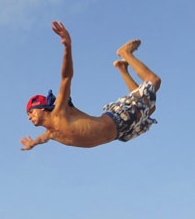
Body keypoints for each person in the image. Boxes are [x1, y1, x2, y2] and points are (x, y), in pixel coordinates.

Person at [20, 21, 162, 150]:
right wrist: (33, 143)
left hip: (119, 117)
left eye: (31, 112)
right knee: (150, 108)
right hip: (121, 132)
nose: (29, 117)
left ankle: (125, 53)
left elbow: (66, 77)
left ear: (43, 108)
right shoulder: (51, 134)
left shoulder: (60, 113)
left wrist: (67, 47)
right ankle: (122, 68)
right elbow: (41, 139)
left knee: (154, 81)